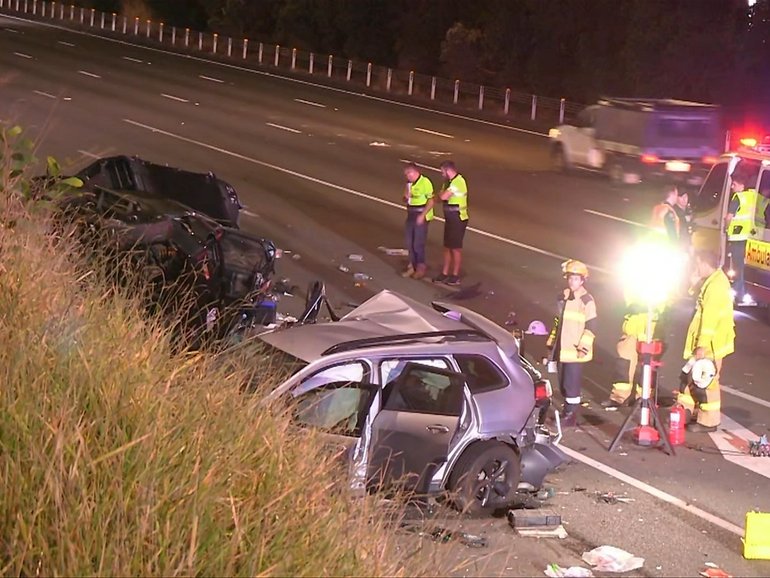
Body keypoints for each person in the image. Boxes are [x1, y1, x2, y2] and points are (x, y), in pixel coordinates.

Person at [677, 250, 735, 432]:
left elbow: (709, 320)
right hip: (708, 341)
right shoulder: (712, 281)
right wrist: (693, 283)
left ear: (704, 263)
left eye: (697, 264)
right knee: (689, 377)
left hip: (711, 344)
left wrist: (702, 345)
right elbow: (697, 299)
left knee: (706, 381)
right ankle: (685, 413)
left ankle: (708, 421)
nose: (696, 268)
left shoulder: (716, 286)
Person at [545, 259, 597, 427]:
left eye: (576, 279)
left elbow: (591, 326)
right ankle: (567, 412)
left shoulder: (586, 300)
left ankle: (570, 415)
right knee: (563, 383)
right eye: (570, 278)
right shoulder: (564, 297)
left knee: (571, 384)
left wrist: (583, 347)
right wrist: (552, 342)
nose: (572, 282)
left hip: (575, 351)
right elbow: (558, 323)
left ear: (582, 280)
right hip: (563, 349)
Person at [420, 160, 468, 286]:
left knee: (455, 248)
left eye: (442, 171)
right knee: (447, 247)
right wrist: (440, 195)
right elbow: (440, 196)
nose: (441, 174)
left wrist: (440, 195)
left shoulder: (459, 181)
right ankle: (445, 273)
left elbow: (442, 197)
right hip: (450, 218)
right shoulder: (447, 182)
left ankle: (455, 275)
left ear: (448, 170)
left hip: (459, 219)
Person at [725, 170, 759, 304]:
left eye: (734, 184)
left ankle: (739, 293)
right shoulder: (753, 195)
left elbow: (729, 217)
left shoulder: (737, 198)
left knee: (737, 267)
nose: (732, 187)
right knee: (744, 267)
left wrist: (726, 228)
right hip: (750, 237)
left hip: (737, 238)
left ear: (741, 185)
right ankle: (744, 292)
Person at [401, 162, 434, 280]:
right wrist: (405, 197)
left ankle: (420, 267)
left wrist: (422, 215)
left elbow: (431, 201)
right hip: (411, 214)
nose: (407, 176)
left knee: (418, 243)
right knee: (409, 242)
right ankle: (412, 266)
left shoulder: (425, 182)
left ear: (415, 172)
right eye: (406, 174)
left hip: (421, 215)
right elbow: (405, 199)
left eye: (408, 173)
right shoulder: (409, 184)